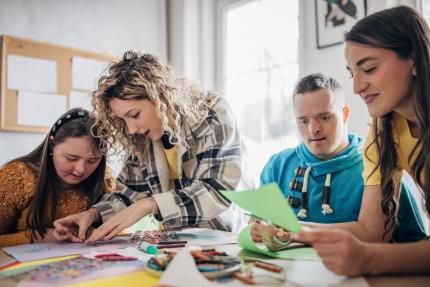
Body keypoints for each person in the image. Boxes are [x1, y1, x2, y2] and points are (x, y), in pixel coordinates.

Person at [295, 6, 430, 275]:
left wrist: (368, 258)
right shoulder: (384, 133)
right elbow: (369, 230)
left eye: (369, 68)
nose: (357, 88)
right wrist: (293, 231)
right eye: (351, 74)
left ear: (413, 59)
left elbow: (370, 246)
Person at [54, 51, 243, 243]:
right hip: (177, 242)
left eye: (134, 115)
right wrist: (93, 214)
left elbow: (218, 191)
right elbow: (129, 191)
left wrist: (150, 204)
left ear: (160, 97)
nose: (131, 129)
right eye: (123, 119)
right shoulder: (142, 138)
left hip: (223, 239)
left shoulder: (211, 113)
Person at [251, 73, 425, 250]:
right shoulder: (277, 166)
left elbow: (415, 244)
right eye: (303, 121)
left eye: (324, 117)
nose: (313, 129)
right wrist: (257, 230)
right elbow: (255, 223)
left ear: (345, 114)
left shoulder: (379, 165)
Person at [0, 108, 115, 247]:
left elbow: (115, 233)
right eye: (72, 158)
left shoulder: (104, 180)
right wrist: (37, 237)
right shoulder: (16, 176)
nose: (80, 169)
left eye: (92, 160)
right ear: (51, 145)